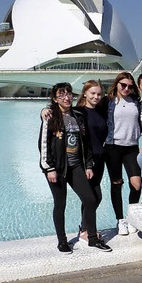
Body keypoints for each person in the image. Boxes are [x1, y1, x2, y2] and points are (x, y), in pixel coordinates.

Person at [38, 82, 111, 254]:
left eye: (69, 94)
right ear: (55, 99)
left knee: (90, 199)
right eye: (61, 95)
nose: (66, 97)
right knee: (60, 204)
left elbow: (85, 143)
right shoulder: (50, 117)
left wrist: (88, 165)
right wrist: (49, 168)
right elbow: (43, 144)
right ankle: (62, 241)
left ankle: (92, 238)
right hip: (58, 167)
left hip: (76, 165)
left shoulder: (77, 115)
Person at [104, 72, 142, 235]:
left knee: (137, 184)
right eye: (123, 85)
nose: (126, 88)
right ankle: (120, 220)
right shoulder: (108, 102)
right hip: (113, 147)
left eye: (130, 86)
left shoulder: (136, 102)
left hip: (131, 147)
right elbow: (85, 109)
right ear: (117, 84)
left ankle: (131, 216)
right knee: (116, 184)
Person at [74, 80, 107, 242]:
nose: (96, 96)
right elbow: (58, 112)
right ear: (85, 93)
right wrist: (45, 110)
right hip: (86, 161)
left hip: (100, 158)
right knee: (92, 197)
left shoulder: (101, 110)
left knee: (93, 197)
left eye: (99, 94)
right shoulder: (78, 112)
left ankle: (84, 228)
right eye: (92, 93)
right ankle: (86, 230)